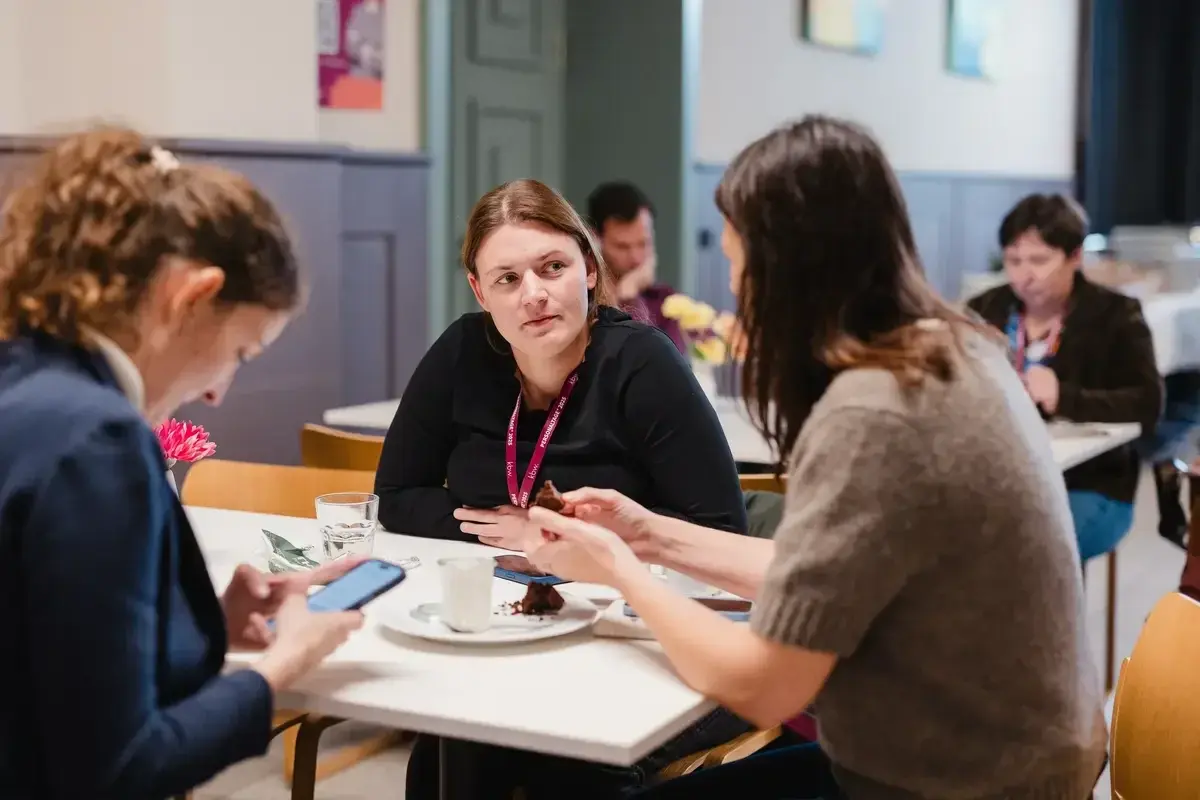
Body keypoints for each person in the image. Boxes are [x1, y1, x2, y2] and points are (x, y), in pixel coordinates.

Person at [524, 116, 1108, 799]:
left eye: (742, 270)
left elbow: (763, 686)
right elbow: (819, 575)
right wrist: (650, 535)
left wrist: (624, 573)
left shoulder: (874, 413)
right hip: (1023, 756)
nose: (739, 293)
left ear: (788, 272)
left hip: (960, 782)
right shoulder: (954, 350)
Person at [0, 128, 365, 799]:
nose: (219, 391)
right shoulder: (97, 440)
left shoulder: (21, 381)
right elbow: (119, 768)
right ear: (194, 295)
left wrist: (197, 626)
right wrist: (282, 666)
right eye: (241, 353)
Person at [376, 179, 753, 798]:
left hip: (651, 637)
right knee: (455, 740)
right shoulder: (462, 354)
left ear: (587, 265)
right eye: (507, 279)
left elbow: (721, 530)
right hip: (516, 626)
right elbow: (395, 493)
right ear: (478, 289)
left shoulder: (642, 363)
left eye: (553, 267)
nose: (534, 296)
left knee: (557, 758)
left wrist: (556, 534)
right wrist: (510, 528)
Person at [968, 194, 1163, 562]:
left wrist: (1065, 398)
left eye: (1039, 260)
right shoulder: (986, 309)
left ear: (1075, 257)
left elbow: (1148, 402)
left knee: (1027, 551)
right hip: (1002, 471)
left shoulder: (1115, 315)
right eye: (1013, 260)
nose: (1024, 274)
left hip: (1091, 482)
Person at [587, 181, 686, 354]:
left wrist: (632, 297)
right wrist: (617, 300)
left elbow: (665, 368)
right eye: (622, 246)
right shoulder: (582, 299)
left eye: (643, 243)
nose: (636, 258)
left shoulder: (665, 301)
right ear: (596, 240)